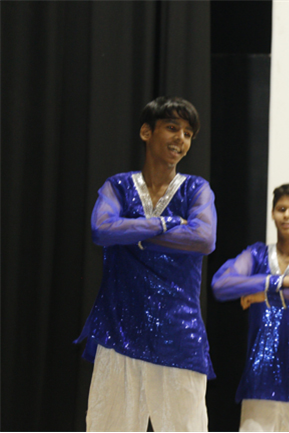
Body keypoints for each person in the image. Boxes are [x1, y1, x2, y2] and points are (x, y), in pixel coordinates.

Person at [75, 96, 217, 432]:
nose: (180, 139)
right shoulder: (118, 186)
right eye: (172, 128)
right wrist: (167, 223)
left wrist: (131, 232)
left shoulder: (196, 189)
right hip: (119, 331)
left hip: (178, 335)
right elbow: (102, 229)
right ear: (145, 132)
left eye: (188, 134)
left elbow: (203, 238)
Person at [211, 183, 289, 432]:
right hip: (261, 380)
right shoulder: (257, 254)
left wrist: (266, 296)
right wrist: (277, 282)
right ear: (272, 213)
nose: (287, 215)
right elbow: (221, 284)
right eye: (281, 209)